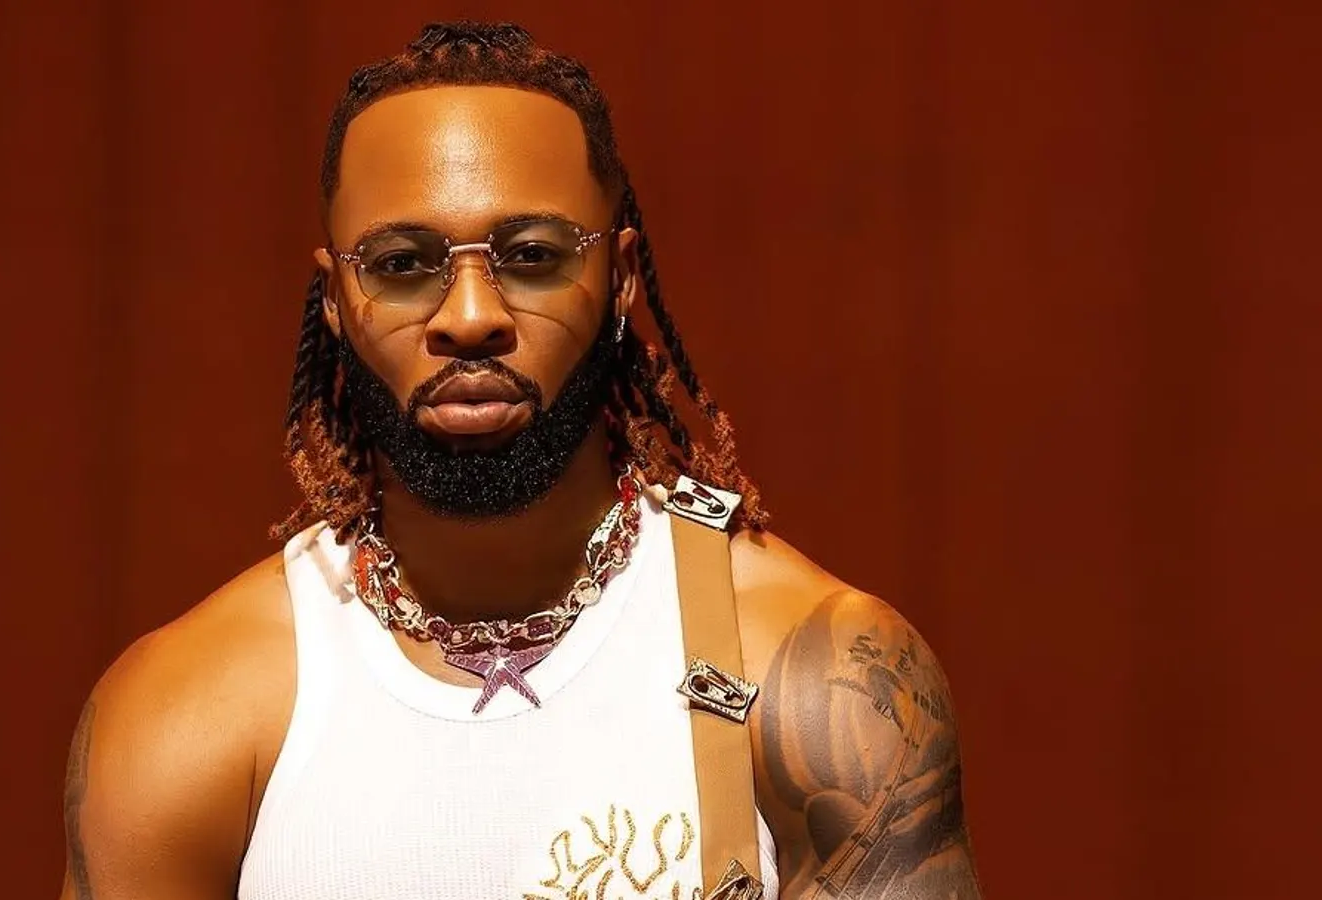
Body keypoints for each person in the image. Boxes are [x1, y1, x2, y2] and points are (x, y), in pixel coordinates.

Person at [58, 21, 982, 900]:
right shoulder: (189, 713)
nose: (469, 316)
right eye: (401, 263)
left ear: (619, 278)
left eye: (532, 255)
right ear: (336, 299)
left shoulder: (818, 680)